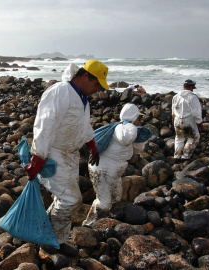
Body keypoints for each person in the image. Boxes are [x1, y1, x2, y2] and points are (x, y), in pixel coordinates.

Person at [25, 59, 109, 253]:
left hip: (69, 155)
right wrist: (37, 158)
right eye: (96, 84)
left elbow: (83, 125)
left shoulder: (82, 98)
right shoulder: (60, 92)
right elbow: (44, 126)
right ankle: (49, 240)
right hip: (53, 153)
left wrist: (92, 145)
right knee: (71, 199)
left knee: (63, 198)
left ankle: (55, 238)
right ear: (85, 76)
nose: (97, 89)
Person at [82, 103, 146, 227]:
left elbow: (139, 147)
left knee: (116, 198)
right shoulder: (123, 129)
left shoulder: (125, 129)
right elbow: (127, 138)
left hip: (113, 173)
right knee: (104, 203)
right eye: (138, 118)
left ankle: (105, 223)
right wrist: (133, 128)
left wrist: (139, 135)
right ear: (134, 118)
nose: (139, 120)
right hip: (102, 171)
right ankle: (89, 225)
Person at [172, 79, 203, 161]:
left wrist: (173, 119)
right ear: (191, 87)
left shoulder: (176, 96)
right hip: (188, 120)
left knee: (179, 137)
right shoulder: (192, 97)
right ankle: (185, 156)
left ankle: (177, 156)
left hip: (177, 119)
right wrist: (199, 122)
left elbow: (173, 109)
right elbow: (196, 113)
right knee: (194, 137)